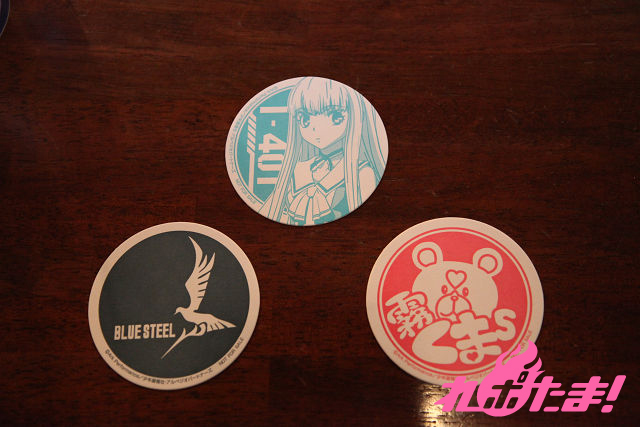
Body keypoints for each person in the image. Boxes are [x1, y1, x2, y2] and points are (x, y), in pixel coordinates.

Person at [260, 77, 387, 225]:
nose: (316, 128)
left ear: (354, 116)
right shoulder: (297, 169)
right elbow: (271, 211)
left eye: (335, 116)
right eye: (304, 118)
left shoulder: (361, 171)